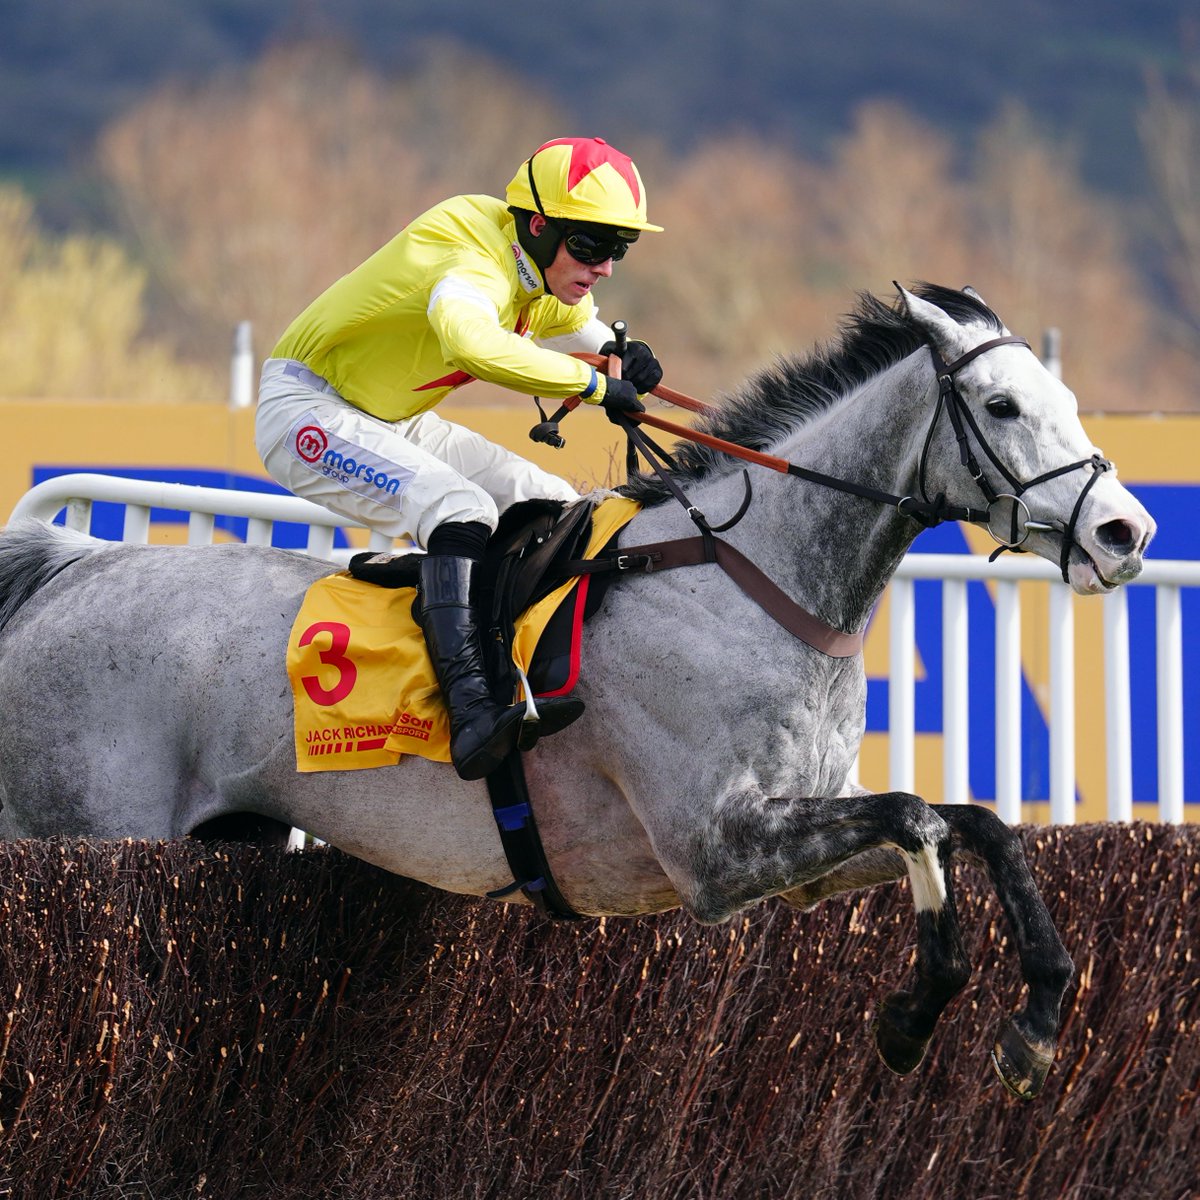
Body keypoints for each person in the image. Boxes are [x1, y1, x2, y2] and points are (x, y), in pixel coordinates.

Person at [256, 137, 665, 780]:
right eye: (591, 245)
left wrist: (625, 350)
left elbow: (579, 323)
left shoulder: (539, 263)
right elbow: (472, 341)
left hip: (393, 418)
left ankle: (513, 664)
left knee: (557, 503)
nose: (606, 265)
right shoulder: (469, 251)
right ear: (538, 226)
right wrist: (590, 384)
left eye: (619, 248)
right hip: (308, 411)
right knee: (461, 506)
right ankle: (470, 708)